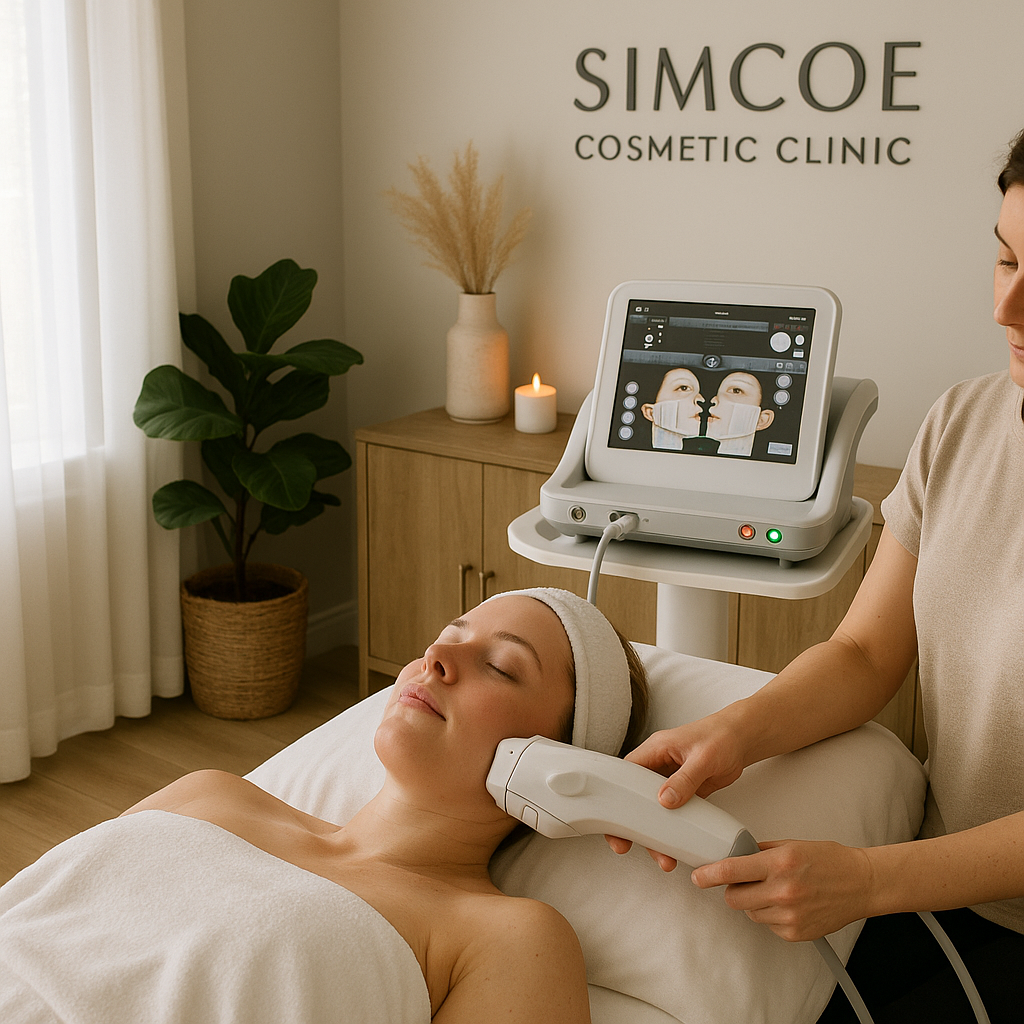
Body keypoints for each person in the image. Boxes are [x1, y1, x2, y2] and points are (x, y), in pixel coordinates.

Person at [611, 130, 1024, 1023]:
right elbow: (869, 651)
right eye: (1004, 258)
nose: (1008, 308)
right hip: (942, 884)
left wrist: (870, 880)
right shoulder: (963, 422)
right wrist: (734, 731)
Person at [0, 588, 649, 1024]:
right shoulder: (210, 791)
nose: (437, 656)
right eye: (449, 635)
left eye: (501, 667)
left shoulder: (503, 936)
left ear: (562, 764)